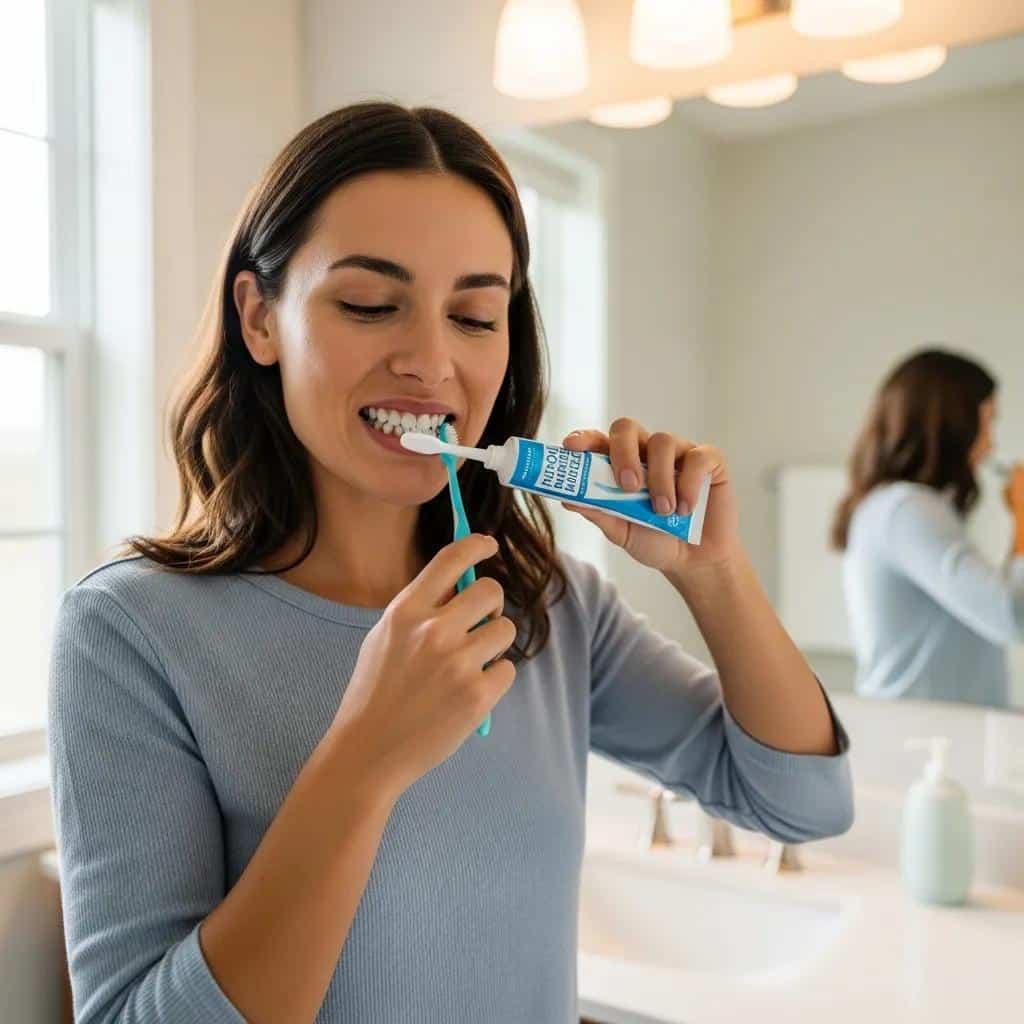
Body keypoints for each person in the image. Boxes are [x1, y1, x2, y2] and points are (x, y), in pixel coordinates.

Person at [48, 102, 853, 1024]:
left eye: (474, 315)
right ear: (259, 318)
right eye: (368, 304)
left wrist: (712, 574)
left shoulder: (548, 605)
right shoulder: (132, 633)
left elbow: (802, 802)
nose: (431, 362)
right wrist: (363, 760)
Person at [833, 348, 1024, 707]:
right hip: (920, 739)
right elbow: (1013, 616)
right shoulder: (906, 510)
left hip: (929, 734)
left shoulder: (906, 508)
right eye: (988, 422)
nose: (991, 443)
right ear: (957, 424)